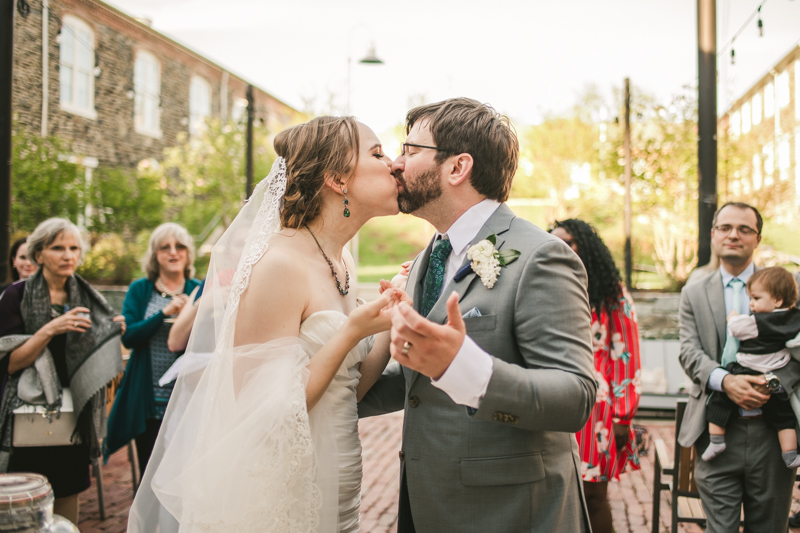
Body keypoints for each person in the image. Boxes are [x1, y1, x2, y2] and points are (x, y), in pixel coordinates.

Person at [127, 116, 405, 532]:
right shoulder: (279, 264)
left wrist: (386, 318)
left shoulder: (341, 259)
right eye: (378, 154)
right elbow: (262, 412)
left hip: (340, 475)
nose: (395, 164)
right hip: (287, 490)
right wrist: (350, 331)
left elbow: (348, 388)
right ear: (336, 179)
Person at [358, 98, 596, 533]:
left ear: (456, 168)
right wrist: (326, 394)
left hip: (510, 512)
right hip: (430, 501)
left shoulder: (540, 256)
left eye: (409, 151)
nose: (396, 164)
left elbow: (575, 397)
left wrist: (464, 367)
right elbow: (420, 383)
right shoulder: (426, 259)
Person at [678, 202, 800, 533]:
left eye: (744, 229)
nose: (734, 235)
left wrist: (772, 381)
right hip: (716, 430)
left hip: (773, 432)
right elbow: (689, 351)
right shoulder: (693, 291)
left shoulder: (786, 287)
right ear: (713, 235)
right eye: (725, 228)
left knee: (771, 527)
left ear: (757, 239)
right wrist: (726, 382)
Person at [0, 218, 125, 524]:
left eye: (74, 248)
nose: (69, 255)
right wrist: (52, 328)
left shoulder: (88, 298)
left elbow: (106, 370)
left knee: (67, 508)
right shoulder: (15, 296)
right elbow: (11, 362)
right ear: (38, 254)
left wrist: (109, 337)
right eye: (58, 248)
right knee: (23, 509)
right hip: (25, 416)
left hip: (74, 415)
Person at [549, 218, 642, 533]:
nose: (559, 246)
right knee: (552, 496)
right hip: (551, 402)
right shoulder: (544, 285)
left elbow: (626, 355)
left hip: (598, 411)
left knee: (593, 496)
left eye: (568, 241)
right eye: (553, 240)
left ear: (585, 248)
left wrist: (623, 416)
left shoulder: (611, 292)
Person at [104, 223, 201, 475]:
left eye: (180, 246)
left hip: (188, 395)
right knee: (150, 472)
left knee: (185, 471)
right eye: (165, 247)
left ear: (188, 254)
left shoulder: (198, 290)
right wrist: (164, 313)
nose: (173, 252)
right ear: (154, 255)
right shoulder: (140, 289)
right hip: (147, 396)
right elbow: (130, 337)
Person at [701, 266, 800, 467]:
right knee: (784, 415)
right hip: (774, 371)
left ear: (777, 300)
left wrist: (733, 317)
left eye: (755, 299)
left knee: (719, 400)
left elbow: (737, 329)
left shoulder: (757, 321)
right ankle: (790, 454)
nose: (752, 304)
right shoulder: (795, 318)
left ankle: (716, 441)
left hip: (747, 368)